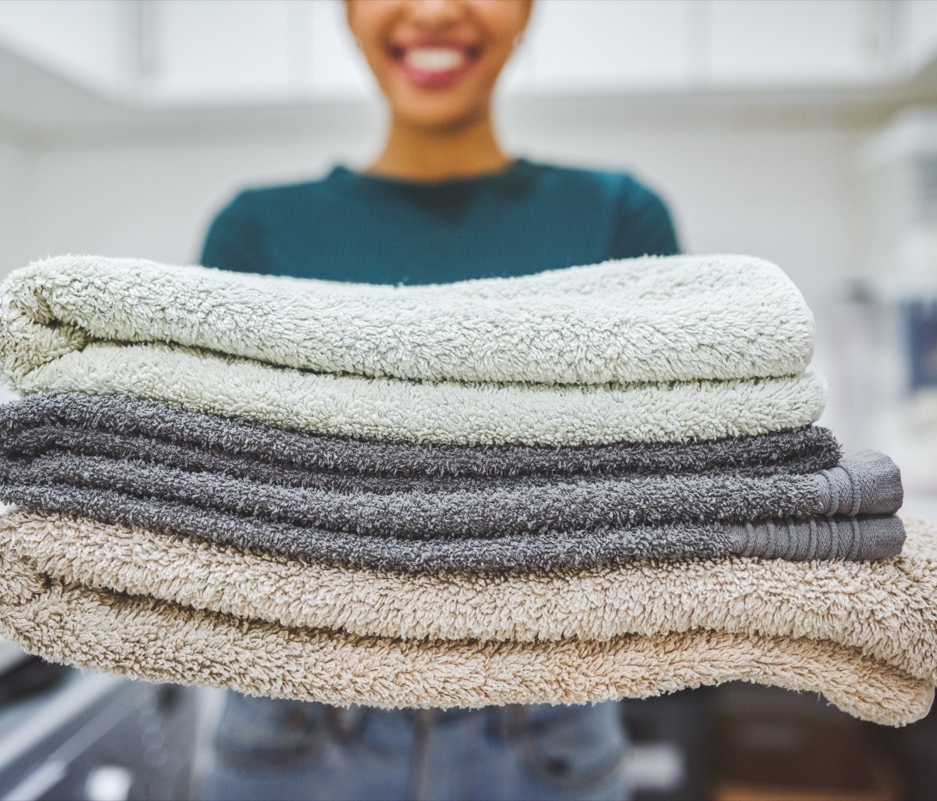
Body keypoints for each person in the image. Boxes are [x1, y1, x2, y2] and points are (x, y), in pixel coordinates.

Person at [197, 1, 679, 799]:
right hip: (298, 724)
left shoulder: (619, 219)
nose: (432, 9)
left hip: (548, 721)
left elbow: (663, 484)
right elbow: (218, 498)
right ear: (347, 11)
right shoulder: (254, 232)